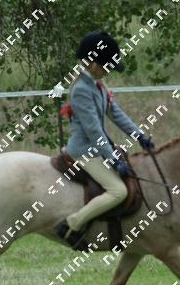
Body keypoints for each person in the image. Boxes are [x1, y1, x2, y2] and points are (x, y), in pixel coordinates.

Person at [55, 31, 154, 249]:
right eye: (105, 66)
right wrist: (113, 160)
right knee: (119, 191)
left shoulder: (98, 85)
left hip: (97, 148)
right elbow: (94, 131)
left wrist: (139, 135)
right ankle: (71, 224)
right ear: (90, 63)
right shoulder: (81, 90)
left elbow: (116, 114)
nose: (108, 70)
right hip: (84, 152)